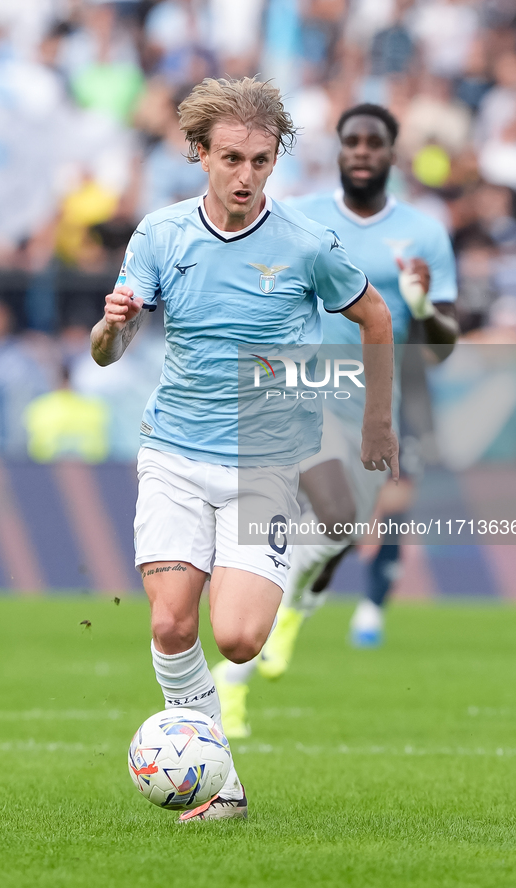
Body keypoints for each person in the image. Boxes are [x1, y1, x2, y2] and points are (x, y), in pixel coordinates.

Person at [90, 80, 397, 821]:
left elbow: (376, 317)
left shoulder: (304, 246)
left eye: (260, 160)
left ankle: (302, 568)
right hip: (172, 453)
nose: (244, 175)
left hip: (266, 462)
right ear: (198, 154)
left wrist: (375, 424)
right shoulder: (160, 235)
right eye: (230, 158)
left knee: (236, 639)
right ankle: (214, 773)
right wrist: (111, 327)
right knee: (170, 622)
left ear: (274, 162)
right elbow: (109, 350)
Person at [213, 102, 459, 737]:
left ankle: (300, 601)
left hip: (377, 406)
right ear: (340, 149)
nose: (361, 151)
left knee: (344, 527)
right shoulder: (300, 218)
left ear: (392, 152)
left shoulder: (426, 233)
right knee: (324, 514)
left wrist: (423, 305)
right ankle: (232, 679)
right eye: (352, 140)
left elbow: (441, 344)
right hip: (304, 393)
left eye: (374, 142)